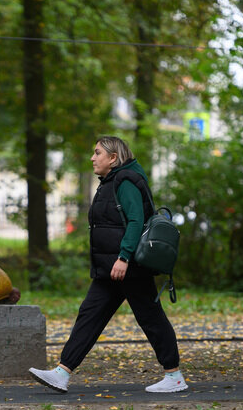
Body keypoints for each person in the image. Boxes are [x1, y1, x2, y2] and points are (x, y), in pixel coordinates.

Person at [29, 136, 187, 393]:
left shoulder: (126, 181)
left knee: (151, 318)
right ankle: (62, 372)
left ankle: (174, 376)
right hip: (111, 268)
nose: (92, 158)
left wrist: (124, 257)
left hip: (128, 268)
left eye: (98, 153)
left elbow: (136, 220)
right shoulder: (112, 181)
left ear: (113, 158)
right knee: (90, 315)